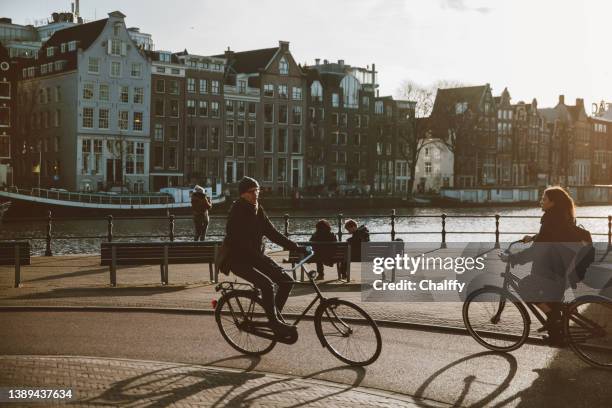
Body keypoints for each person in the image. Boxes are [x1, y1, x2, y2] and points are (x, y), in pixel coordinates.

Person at [225, 177, 301, 336]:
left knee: (287, 281)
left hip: (255, 256)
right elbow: (240, 243)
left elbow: (272, 233)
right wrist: (261, 259)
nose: (255, 194)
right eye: (251, 192)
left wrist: (296, 247)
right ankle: (274, 324)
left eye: (257, 190)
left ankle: (275, 318)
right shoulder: (237, 212)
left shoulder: (257, 208)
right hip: (238, 260)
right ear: (242, 194)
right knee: (267, 285)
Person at [503, 186, 578, 345]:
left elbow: (538, 251)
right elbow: (552, 236)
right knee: (552, 302)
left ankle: (551, 319)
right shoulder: (563, 216)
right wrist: (535, 237)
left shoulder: (550, 218)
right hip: (563, 268)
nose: (541, 201)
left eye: (544, 199)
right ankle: (557, 337)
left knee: (525, 286)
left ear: (553, 202)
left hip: (550, 270)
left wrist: (513, 258)